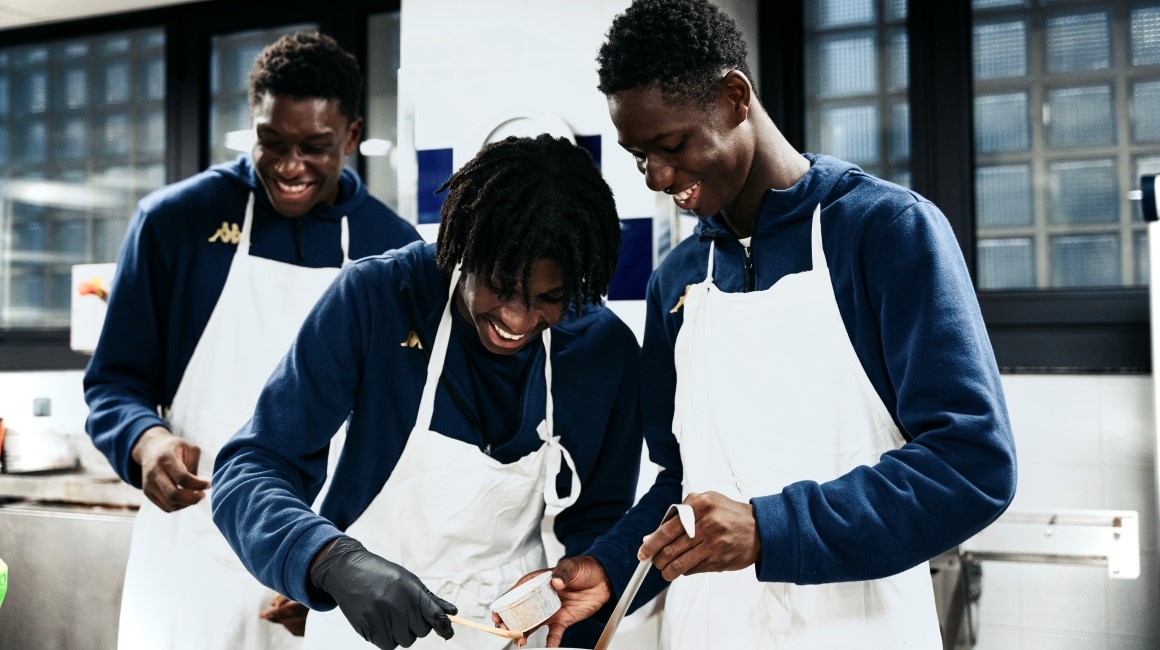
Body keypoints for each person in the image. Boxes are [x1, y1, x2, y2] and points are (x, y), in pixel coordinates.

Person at [531, 1, 1019, 648]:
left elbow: (972, 463)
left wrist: (770, 529)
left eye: (672, 146)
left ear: (735, 98)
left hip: (857, 631)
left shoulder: (883, 233)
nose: (658, 177)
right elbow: (682, 482)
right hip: (708, 632)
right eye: (638, 156)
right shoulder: (676, 281)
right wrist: (614, 566)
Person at [210, 133, 645, 650]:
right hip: (364, 632)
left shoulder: (601, 348)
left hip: (509, 636)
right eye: (500, 285)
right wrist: (329, 561)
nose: (517, 319)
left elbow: (599, 524)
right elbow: (252, 467)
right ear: (463, 248)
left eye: (548, 298)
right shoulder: (378, 297)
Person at [83, 31, 422, 650]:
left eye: (314, 147)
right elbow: (113, 383)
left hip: (330, 551)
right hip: (192, 546)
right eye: (272, 142)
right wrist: (145, 440)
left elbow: (399, 425)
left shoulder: (393, 249)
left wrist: (330, 571)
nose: (289, 166)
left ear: (350, 135)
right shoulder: (174, 222)